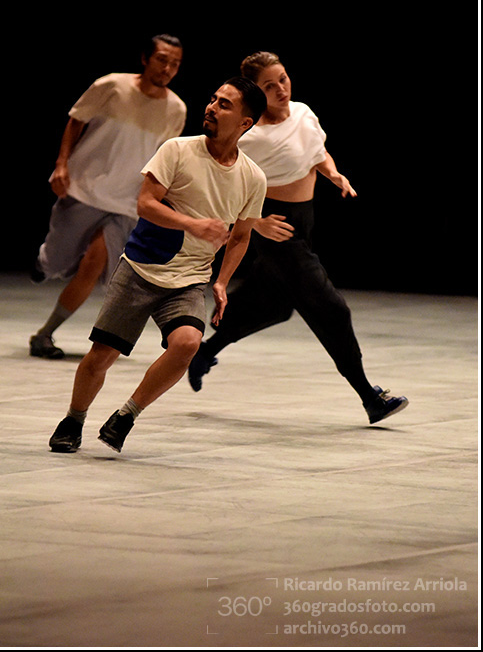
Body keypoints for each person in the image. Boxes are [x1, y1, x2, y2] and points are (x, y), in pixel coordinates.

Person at [48, 76, 268, 453]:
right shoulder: (177, 150)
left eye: (224, 104)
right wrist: (193, 224)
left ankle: (126, 415)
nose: (211, 107)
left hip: (189, 280)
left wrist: (221, 282)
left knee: (188, 343)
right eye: (213, 99)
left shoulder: (253, 177)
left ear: (245, 123)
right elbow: (145, 204)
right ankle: (74, 418)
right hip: (141, 268)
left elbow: (241, 236)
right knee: (101, 356)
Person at [188, 52, 409, 425]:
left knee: (274, 306)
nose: (280, 89)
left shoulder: (304, 113)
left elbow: (317, 153)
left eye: (283, 79)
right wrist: (256, 223)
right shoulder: (250, 136)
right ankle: (370, 397)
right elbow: (226, 186)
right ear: (255, 92)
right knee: (332, 310)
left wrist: (333, 174)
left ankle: (204, 351)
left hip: (303, 223)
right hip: (278, 229)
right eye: (269, 85)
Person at [29, 34, 186, 359]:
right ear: (145, 58)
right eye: (162, 59)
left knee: (94, 263)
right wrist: (62, 164)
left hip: (127, 203)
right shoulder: (112, 85)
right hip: (85, 188)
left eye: (175, 64)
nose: (168, 68)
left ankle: (44, 335)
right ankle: (45, 261)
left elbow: (164, 157)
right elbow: (77, 119)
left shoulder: (176, 109)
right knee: (56, 260)